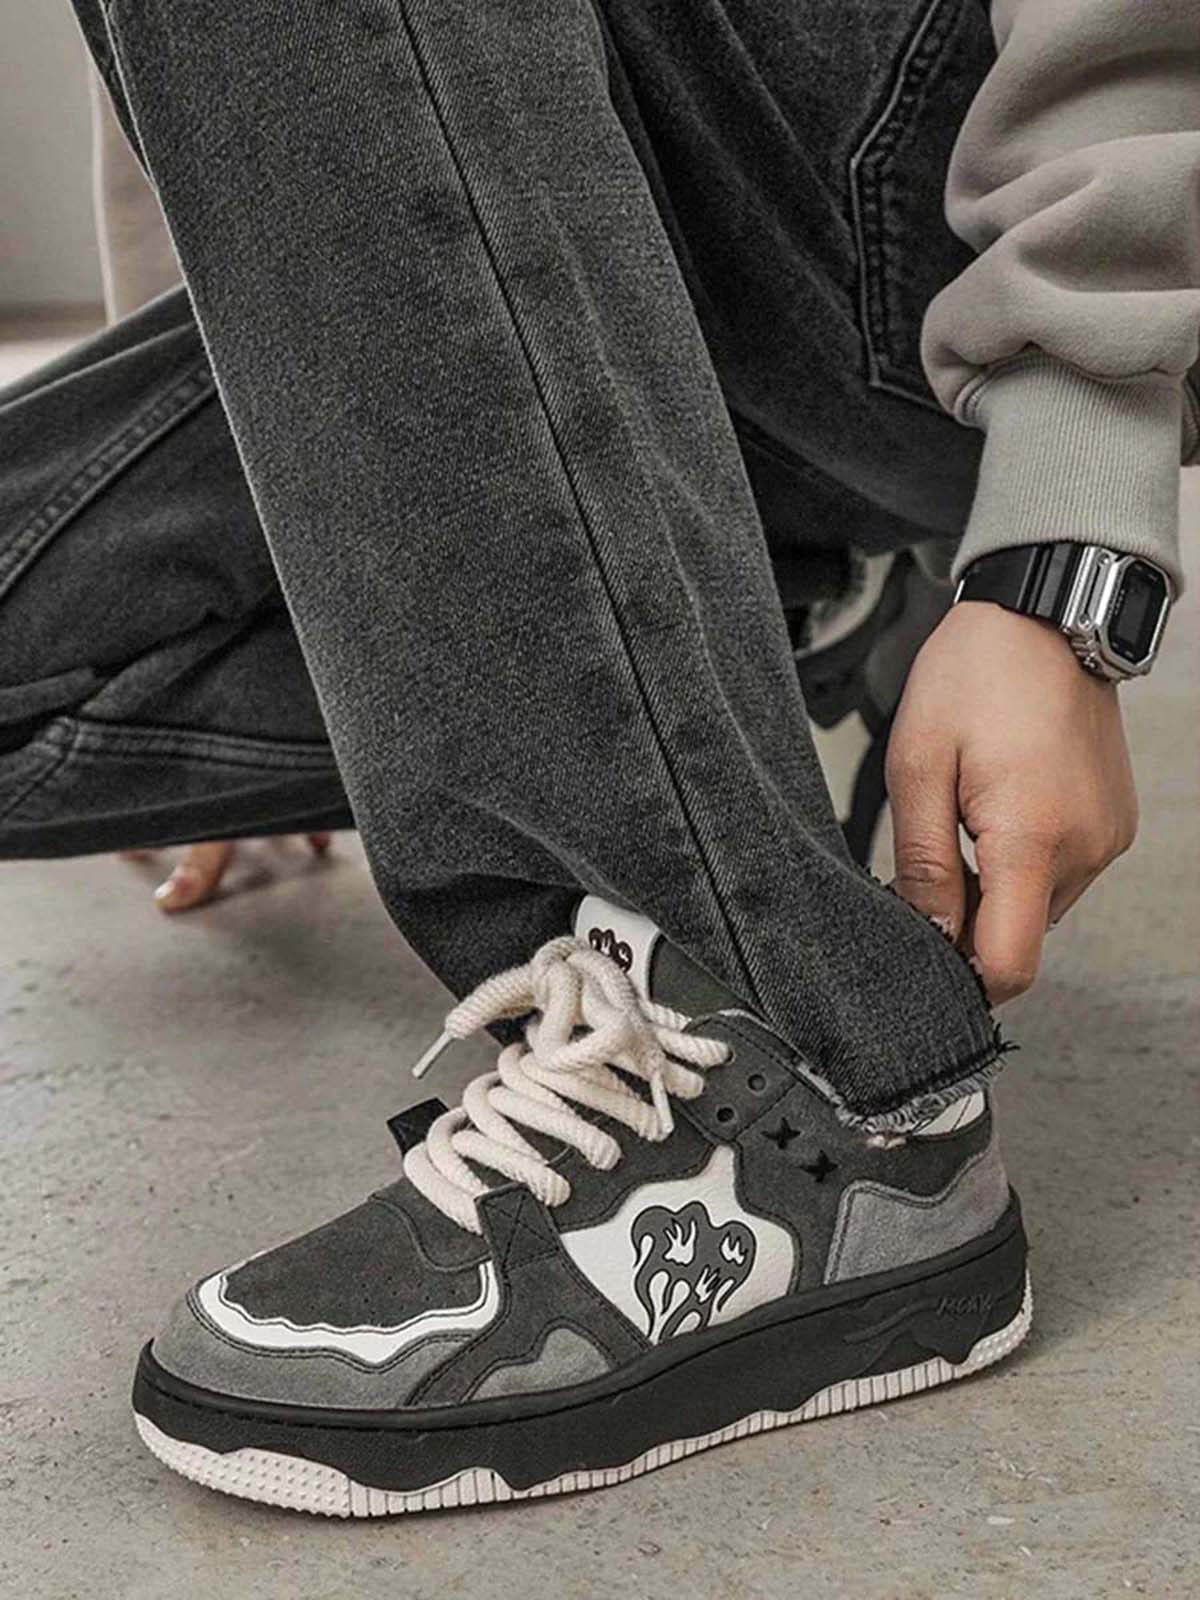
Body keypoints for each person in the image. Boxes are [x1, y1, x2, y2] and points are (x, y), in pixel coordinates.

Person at [0, 0, 1193, 1515]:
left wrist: (1064, 537)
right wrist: (348, 536)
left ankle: (782, 1044)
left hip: (916, 210)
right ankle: (761, 597)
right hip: (511, 207)